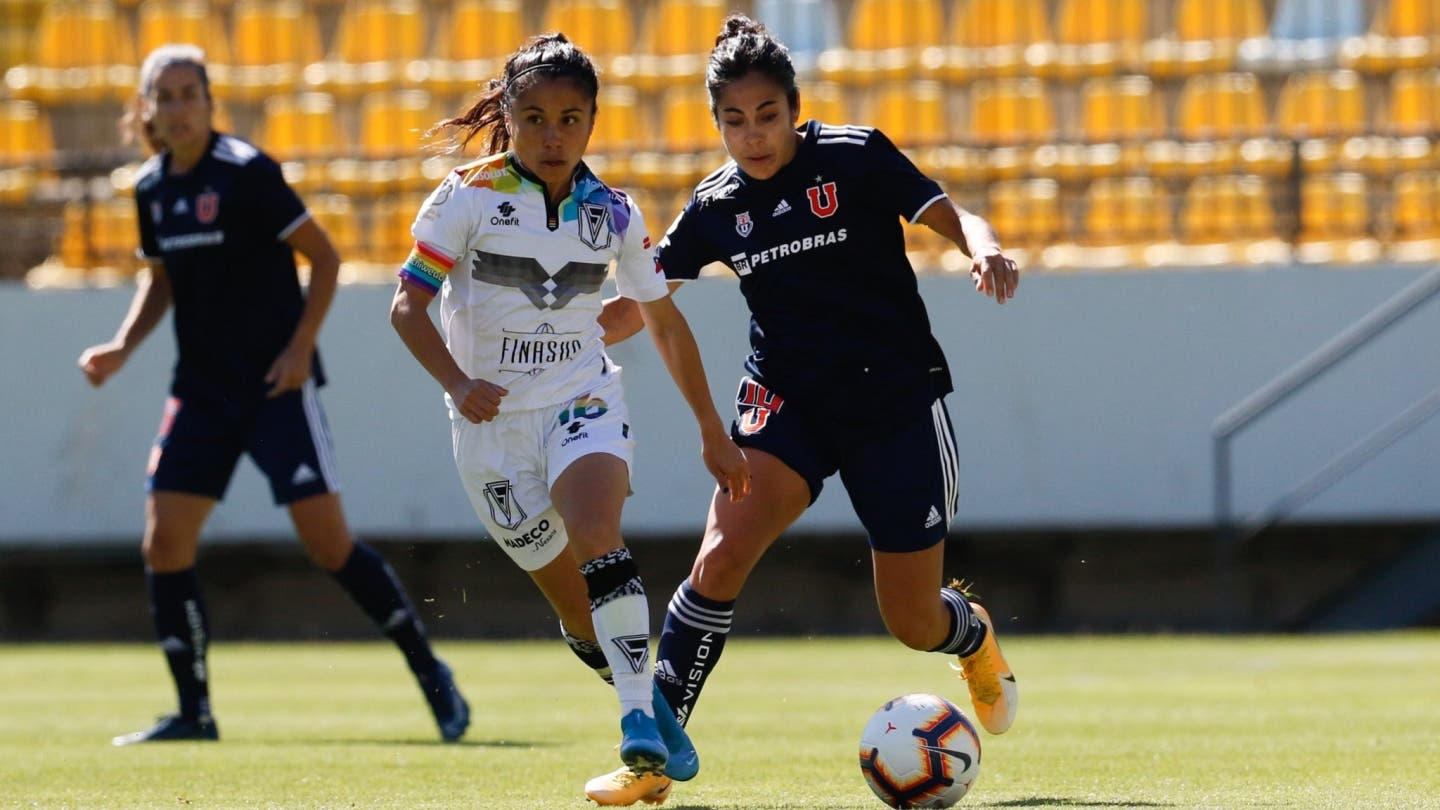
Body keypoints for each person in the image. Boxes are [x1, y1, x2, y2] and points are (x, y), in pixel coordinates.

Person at [585, 14, 1023, 805]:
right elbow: (637, 304)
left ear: (794, 109)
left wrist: (983, 248)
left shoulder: (854, 157)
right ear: (716, 122)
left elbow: (949, 211)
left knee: (912, 619)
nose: (751, 137)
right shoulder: (715, 205)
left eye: (766, 117)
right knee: (720, 557)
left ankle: (972, 633)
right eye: (733, 121)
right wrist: (564, 335)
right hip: (786, 402)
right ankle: (651, 761)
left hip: (892, 401)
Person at [78, 44, 469, 746]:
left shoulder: (246, 173)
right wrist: (121, 347)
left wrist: (298, 350)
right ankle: (194, 713)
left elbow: (324, 257)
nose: (176, 107)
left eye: (187, 93)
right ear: (147, 111)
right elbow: (160, 279)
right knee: (164, 542)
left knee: (329, 546)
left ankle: (433, 676)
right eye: (162, 97)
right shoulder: (149, 189)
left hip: (274, 388)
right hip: (200, 393)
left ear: (208, 101)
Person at [388, 33, 749, 793]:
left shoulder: (613, 212)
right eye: (535, 118)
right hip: (487, 430)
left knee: (596, 532)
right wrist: (458, 384)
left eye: (571, 119)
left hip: (583, 398)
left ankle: (636, 725)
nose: (554, 136)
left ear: (593, 122)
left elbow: (662, 320)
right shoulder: (466, 196)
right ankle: (647, 697)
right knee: (576, 606)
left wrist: (711, 430)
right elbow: (407, 309)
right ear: (509, 118)